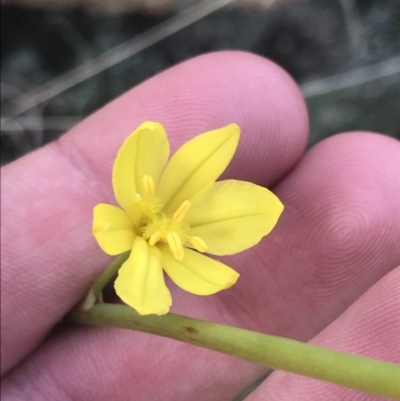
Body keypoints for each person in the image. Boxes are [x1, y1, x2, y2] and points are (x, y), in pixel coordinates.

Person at [1, 51, 399, 400]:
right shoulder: (113, 227)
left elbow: (244, 220)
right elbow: (144, 151)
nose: (162, 223)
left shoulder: (155, 243)